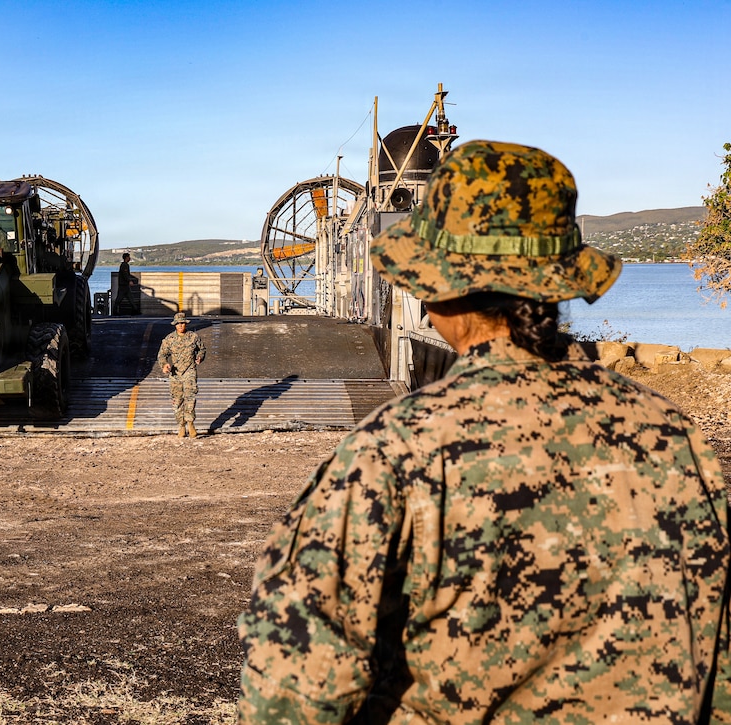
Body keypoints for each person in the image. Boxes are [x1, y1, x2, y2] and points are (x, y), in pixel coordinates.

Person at [237, 141, 731, 723]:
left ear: (439, 291)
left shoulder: (394, 453)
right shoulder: (674, 441)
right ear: (557, 286)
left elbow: (292, 694)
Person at [157, 311, 206, 438]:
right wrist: (164, 365)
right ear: (175, 325)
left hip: (190, 371)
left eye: (182, 323)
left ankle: (190, 423)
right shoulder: (169, 339)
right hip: (176, 373)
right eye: (178, 324)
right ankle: (181, 425)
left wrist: (200, 357)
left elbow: (202, 349)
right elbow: (161, 355)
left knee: (190, 397)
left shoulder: (193, 337)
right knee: (177, 400)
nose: (180, 326)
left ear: (186, 324)